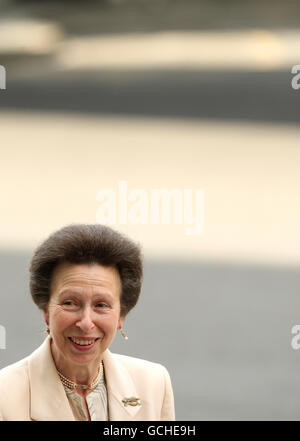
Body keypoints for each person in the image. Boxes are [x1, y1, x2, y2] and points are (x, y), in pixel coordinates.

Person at [0, 224, 175, 421]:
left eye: (101, 305)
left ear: (121, 316)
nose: (85, 323)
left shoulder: (153, 385)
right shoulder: (5, 397)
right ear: (46, 310)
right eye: (70, 303)